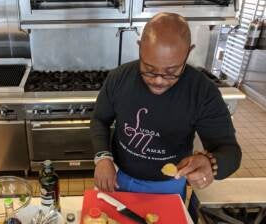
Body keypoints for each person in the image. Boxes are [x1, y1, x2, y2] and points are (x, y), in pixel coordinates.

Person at [90, 12, 241, 200]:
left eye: (172, 72)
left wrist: (211, 164)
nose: (159, 81)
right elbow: (99, 120)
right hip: (119, 176)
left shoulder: (203, 92)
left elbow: (230, 151)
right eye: (149, 70)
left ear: (188, 51)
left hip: (168, 185)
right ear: (140, 48)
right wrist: (103, 158)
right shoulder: (119, 78)